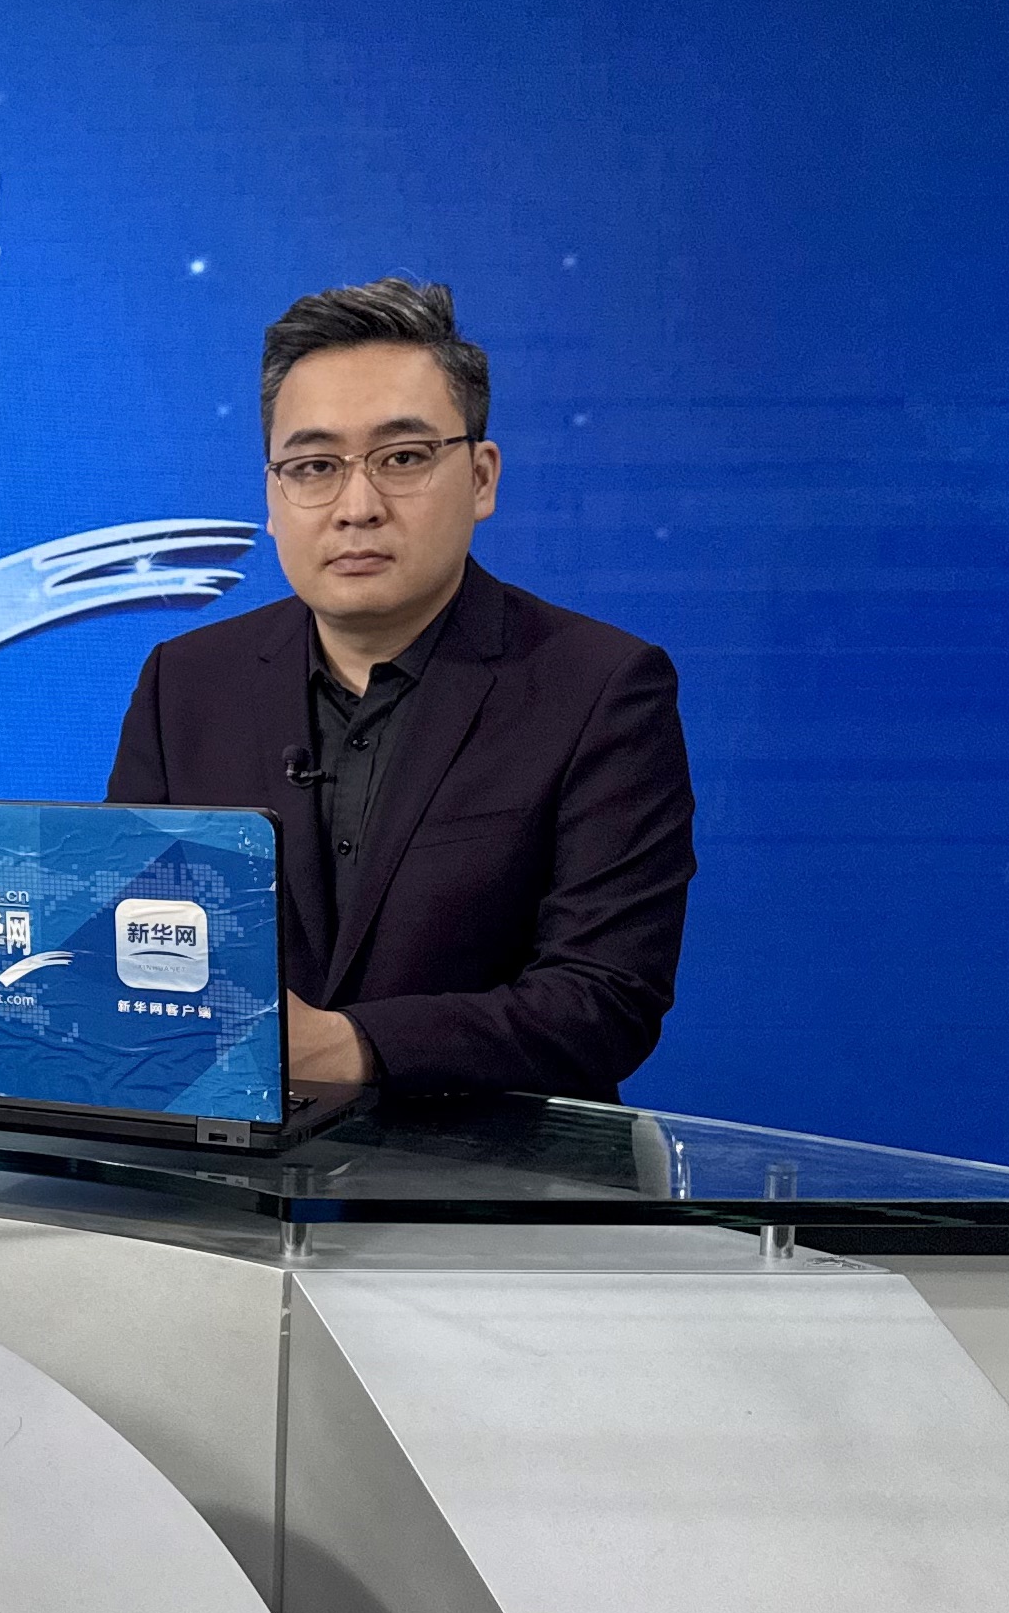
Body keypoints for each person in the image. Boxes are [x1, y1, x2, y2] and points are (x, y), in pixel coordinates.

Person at [102, 276, 693, 1100]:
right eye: (313, 466)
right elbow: (131, 944)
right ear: (272, 496)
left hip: (486, 1170)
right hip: (227, 1162)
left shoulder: (599, 687)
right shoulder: (186, 682)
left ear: (480, 477)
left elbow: (604, 999)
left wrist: (354, 1047)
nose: (357, 506)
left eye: (403, 458)